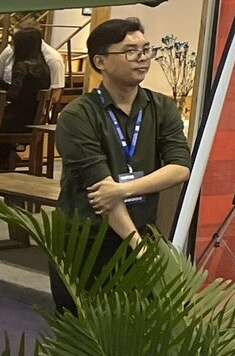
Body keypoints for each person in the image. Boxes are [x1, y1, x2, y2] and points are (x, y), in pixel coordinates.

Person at [50, 18, 191, 311]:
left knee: (139, 328)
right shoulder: (78, 115)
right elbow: (102, 193)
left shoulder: (161, 107)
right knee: (86, 329)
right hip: (86, 243)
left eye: (146, 49)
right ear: (100, 62)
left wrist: (125, 190)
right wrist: (138, 247)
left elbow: (180, 167)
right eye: (130, 51)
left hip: (141, 235)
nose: (142, 57)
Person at [0, 24, 55, 166]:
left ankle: (4, 163)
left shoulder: (22, 67)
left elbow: (13, 96)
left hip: (16, 122)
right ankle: (8, 162)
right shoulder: (43, 66)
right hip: (32, 118)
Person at [0, 24, 65, 89]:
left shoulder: (53, 59)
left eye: (18, 39)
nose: (13, 43)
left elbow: (56, 90)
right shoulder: (9, 51)